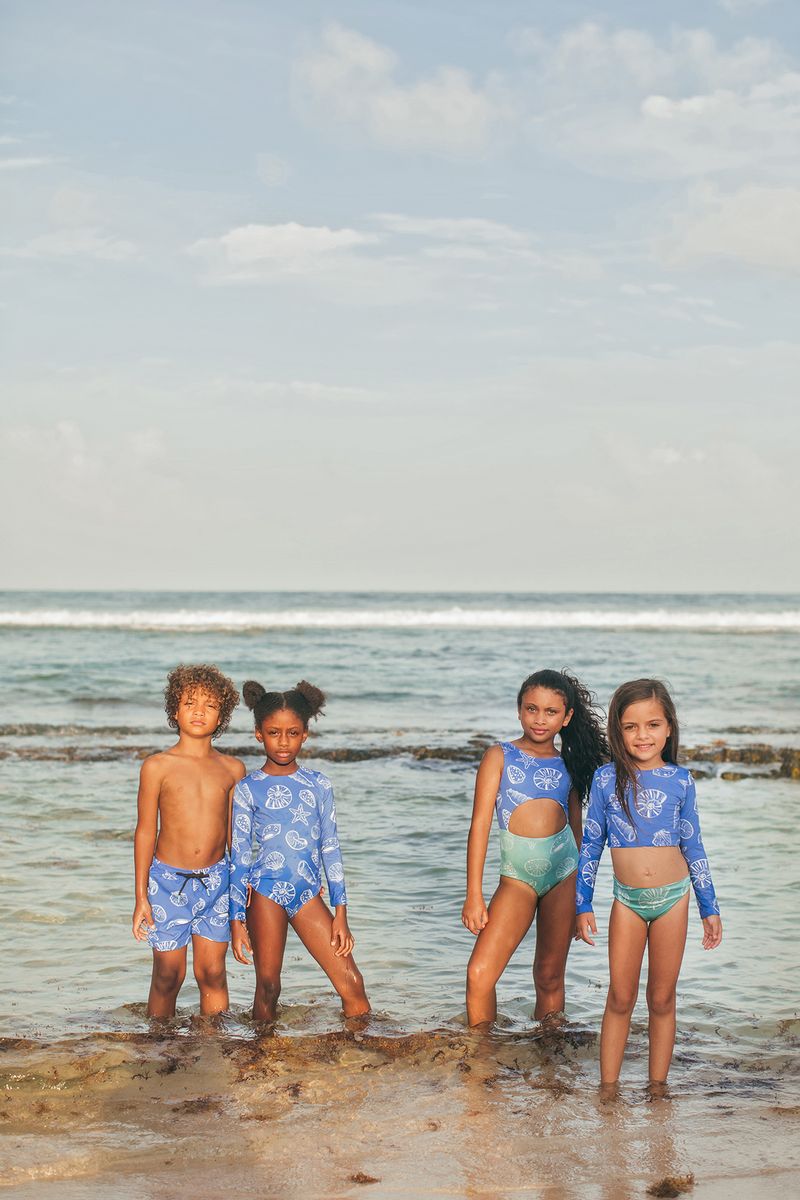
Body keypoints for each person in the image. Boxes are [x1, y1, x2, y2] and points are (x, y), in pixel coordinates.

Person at [575, 678, 723, 1089]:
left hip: (674, 900)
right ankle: (608, 1090)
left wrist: (709, 908)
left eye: (653, 724)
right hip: (626, 901)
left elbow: (694, 847)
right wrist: (581, 904)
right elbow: (590, 846)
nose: (643, 735)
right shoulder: (606, 780)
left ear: (669, 727)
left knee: (661, 1000)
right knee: (620, 998)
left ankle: (658, 1088)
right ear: (618, 731)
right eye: (631, 726)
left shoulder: (681, 780)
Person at [462, 668, 608, 1027]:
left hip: (563, 876)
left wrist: (580, 900)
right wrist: (473, 895)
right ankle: (482, 1060)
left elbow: (577, 831)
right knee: (479, 974)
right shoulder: (499, 755)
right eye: (531, 709)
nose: (539, 719)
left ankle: (549, 1062)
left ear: (567, 716)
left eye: (550, 712)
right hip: (517, 878)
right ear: (519, 710)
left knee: (549, 976)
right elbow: (479, 825)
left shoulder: (570, 763)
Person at [230, 679, 369, 1022]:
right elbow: (239, 856)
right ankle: (260, 1061)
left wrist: (341, 912)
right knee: (268, 986)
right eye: (274, 732)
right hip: (264, 893)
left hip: (307, 893)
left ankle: (361, 1059)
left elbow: (331, 848)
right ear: (258, 733)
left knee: (352, 983)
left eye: (292, 733)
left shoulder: (319, 784)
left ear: (305, 733)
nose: (283, 742)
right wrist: (236, 919)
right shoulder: (247, 789)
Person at [132, 664, 245, 1017]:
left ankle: (212, 1046)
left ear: (222, 717)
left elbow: (236, 840)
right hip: (166, 882)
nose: (199, 711)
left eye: (210, 706)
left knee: (211, 972)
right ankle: (159, 1046)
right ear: (174, 710)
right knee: (169, 975)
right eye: (190, 702)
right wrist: (140, 897)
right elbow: (146, 831)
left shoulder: (232, 769)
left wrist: (241, 899)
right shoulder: (157, 766)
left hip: (217, 882)